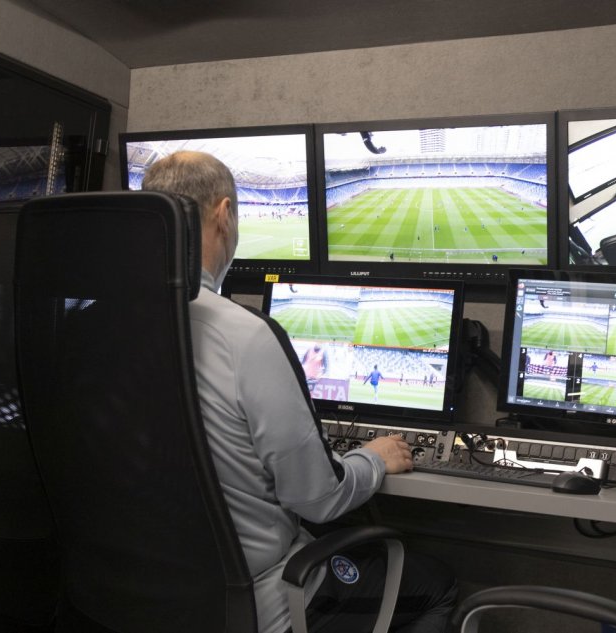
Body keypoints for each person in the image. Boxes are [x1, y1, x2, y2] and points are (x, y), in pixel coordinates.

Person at [142, 151, 456, 633]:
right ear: (225, 215)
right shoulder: (245, 335)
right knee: (437, 584)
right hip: (254, 603)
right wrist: (373, 458)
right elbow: (319, 499)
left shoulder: (90, 325)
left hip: (133, 593)